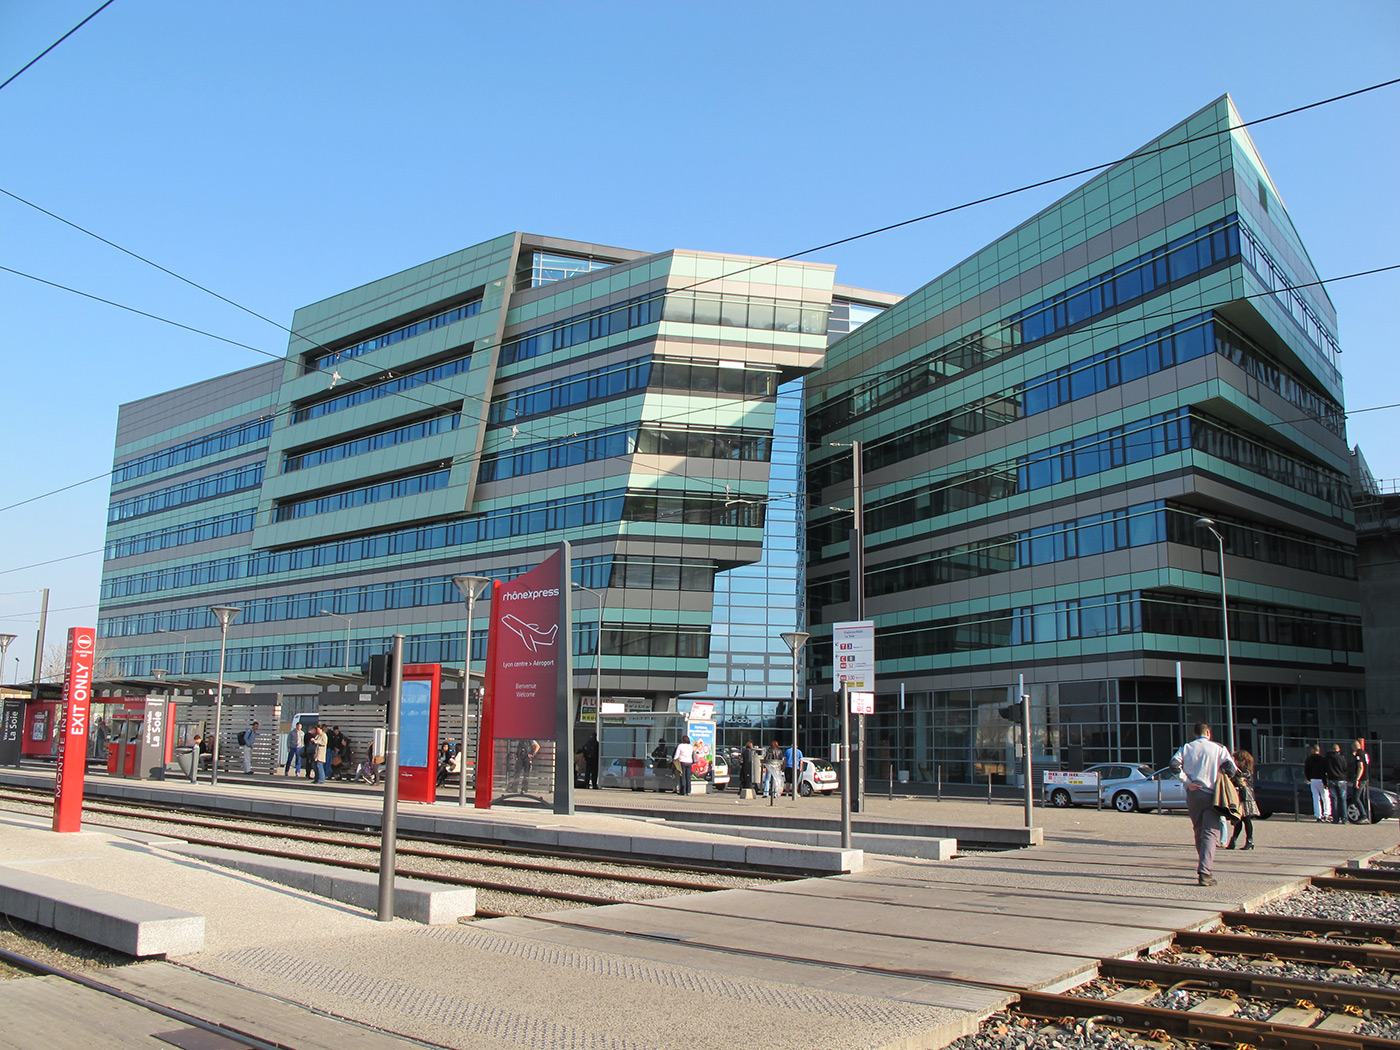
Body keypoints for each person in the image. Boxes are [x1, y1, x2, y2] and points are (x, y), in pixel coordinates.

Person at [1168, 722, 1238, 886]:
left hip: (1193, 793)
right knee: (1211, 833)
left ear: (1195, 734)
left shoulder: (1186, 748)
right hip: (1212, 794)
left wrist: (1187, 781)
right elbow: (1231, 769)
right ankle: (1205, 872)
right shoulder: (1218, 748)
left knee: (1198, 830)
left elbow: (1173, 765)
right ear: (1208, 732)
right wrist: (1220, 774)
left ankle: (1203, 863)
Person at [1225, 749, 1259, 850]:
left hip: (1246, 798)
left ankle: (1249, 840)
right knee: (1238, 820)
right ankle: (1234, 841)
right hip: (1239, 797)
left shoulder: (1246, 772)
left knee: (1246, 819)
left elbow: (1239, 777)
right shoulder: (1240, 771)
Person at [1303, 744, 1330, 822]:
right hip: (1321, 779)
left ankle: (1318, 815)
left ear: (1313, 750)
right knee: (1325, 798)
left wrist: (1309, 779)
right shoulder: (1323, 759)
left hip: (1313, 780)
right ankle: (1327, 814)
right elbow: (1325, 771)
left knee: (1316, 798)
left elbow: (1306, 770)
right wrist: (1326, 782)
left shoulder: (1309, 759)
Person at [1324, 743, 1349, 823]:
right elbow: (1345, 768)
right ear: (1338, 750)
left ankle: (1336, 818)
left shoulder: (1327, 758)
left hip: (1331, 779)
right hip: (1341, 779)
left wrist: (1325, 781)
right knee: (1342, 799)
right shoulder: (1341, 758)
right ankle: (1344, 818)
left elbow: (1325, 769)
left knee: (1334, 799)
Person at [1352, 738, 1371, 824]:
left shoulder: (1358, 755)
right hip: (1366, 777)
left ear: (1354, 747)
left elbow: (1360, 767)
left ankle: (1363, 815)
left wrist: (1357, 779)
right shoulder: (1365, 753)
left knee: (1356, 797)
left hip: (1361, 778)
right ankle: (1366, 814)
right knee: (1362, 797)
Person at [762, 739, 785, 804]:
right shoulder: (779, 751)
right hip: (776, 765)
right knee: (775, 779)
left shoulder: (769, 750)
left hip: (770, 765)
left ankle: (766, 793)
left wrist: (765, 765)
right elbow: (781, 759)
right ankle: (775, 793)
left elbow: (766, 758)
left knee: (767, 779)